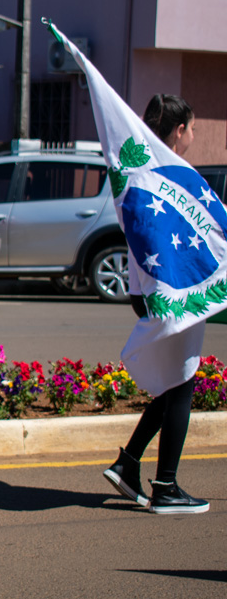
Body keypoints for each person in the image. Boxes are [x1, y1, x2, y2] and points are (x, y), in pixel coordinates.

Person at [103, 93, 209, 515]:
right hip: (172, 291)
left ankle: (128, 463)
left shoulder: (141, 172)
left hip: (144, 289)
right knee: (182, 383)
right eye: (193, 129)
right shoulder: (174, 174)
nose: (193, 137)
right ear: (179, 130)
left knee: (172, 384)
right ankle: (165, 487)